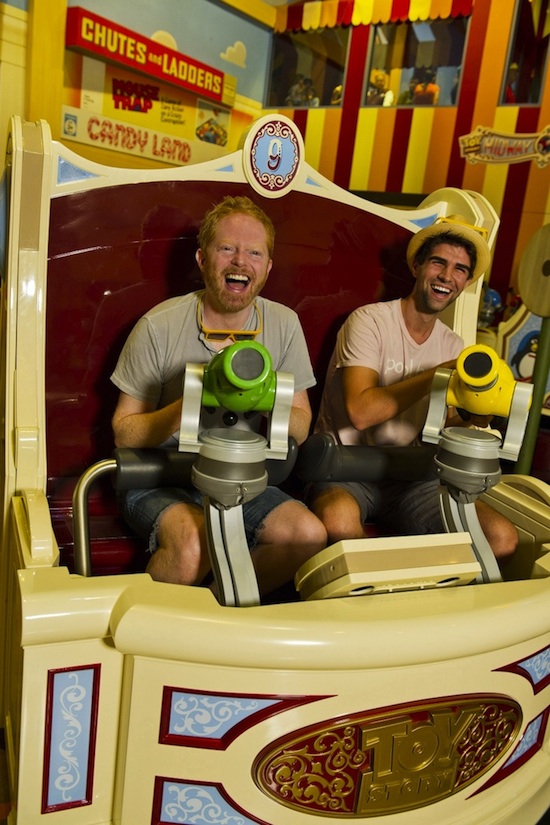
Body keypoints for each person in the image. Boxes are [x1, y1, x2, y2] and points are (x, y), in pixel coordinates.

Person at [111, 195, 327, 595]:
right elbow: (124, 433)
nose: (240, 261)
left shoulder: (284, 323)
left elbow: (300, 423)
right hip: (159, 476)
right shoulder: (158, 326)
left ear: (267, 267)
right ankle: (148, 633)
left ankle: (213, 616)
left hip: (238, 475)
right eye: (226, 248)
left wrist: (259, 394)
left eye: (254, 252)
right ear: (202, 259)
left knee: (307, 535)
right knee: (194, 546)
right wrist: (194, 399)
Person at [306, 216, 518, 562]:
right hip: (344, 471)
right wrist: (438, 373)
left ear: (464, 283)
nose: (447, 276)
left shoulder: (454, 345)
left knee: (501, 538)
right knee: (340, 523)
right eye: (439, 262)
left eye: (460, 269)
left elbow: (448, 426)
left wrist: (478, 414)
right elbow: (360, 412)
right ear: (418, 265)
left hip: (411, 477)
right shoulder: (369, 321)